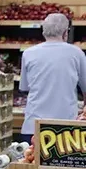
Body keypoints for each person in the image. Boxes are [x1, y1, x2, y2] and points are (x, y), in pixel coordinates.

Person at [19, 13, 86, 144]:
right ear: (65, 33)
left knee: (29, 161)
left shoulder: (28, 53)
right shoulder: (76, 53)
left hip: (33, 126)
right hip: (66, 128)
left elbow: (25, 87)